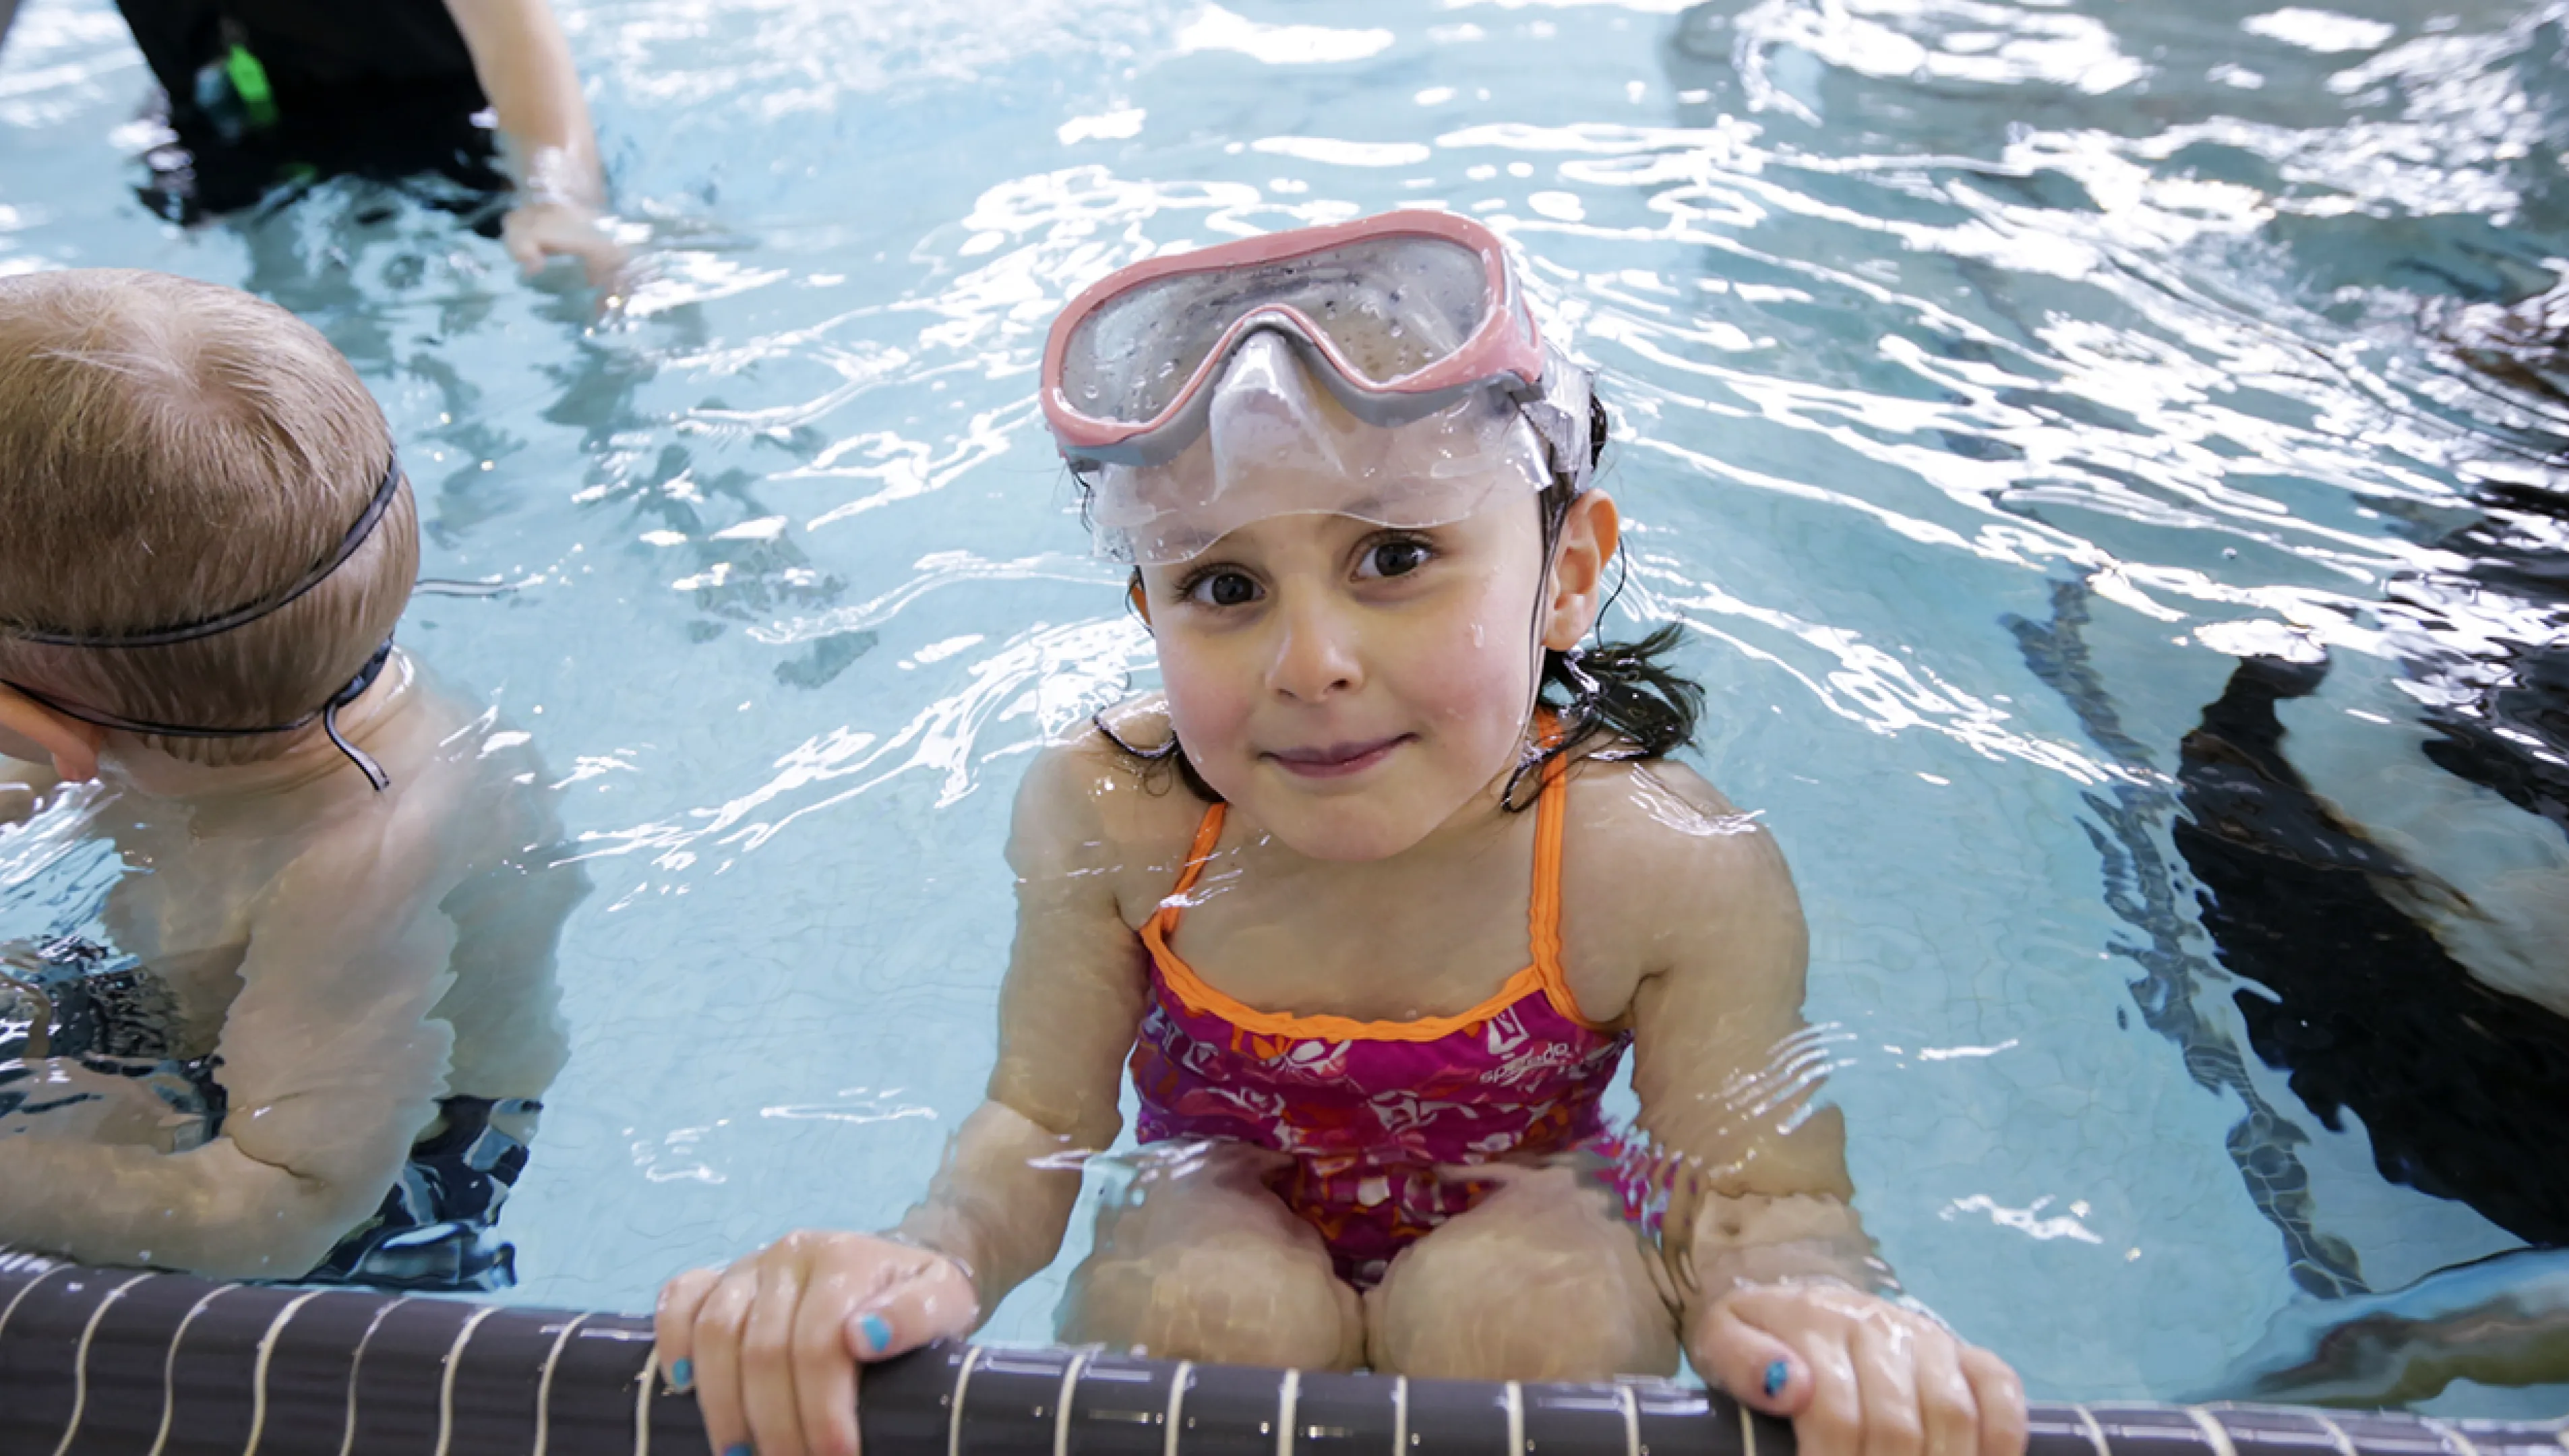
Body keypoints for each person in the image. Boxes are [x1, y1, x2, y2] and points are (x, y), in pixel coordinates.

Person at [654, 212, 2027, 1456]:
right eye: (1227, 583)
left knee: (1532, 1304)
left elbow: (1762, 1199)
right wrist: (922, 1255)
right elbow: (1037, 1123)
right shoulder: (1117, 816)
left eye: (1394, 557)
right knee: (1205, 1300)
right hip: (1214, 1203)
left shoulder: (1659, 862)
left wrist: (1819, 1316)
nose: (1309, 663)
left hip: (1531, 1214)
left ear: (1568, 577)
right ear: (1149, 617)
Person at [0, 268, 587, 1287]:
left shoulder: (359, 859)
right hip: (182, 1020)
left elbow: (280, 1207)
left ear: (48, 723)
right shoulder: (253, 669)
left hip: (372, 1184)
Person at [0, 0, 624, 285]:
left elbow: (517, 40)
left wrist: (555, 197)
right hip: (230, 120)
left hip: (441, 119)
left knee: (565, 269)